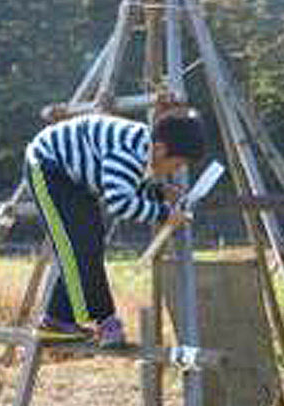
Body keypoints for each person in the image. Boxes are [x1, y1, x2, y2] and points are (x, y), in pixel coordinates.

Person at [25, 110, 206, 347]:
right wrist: (164, 214)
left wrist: (159, 192)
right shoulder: (130, 153)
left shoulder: (143, 147)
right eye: (177, 163)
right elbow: (119, 203)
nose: (174, 171)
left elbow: (126, 185)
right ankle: (89, 321)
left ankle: (68, 320)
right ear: (161, 149)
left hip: (73, 177)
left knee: (89, 246)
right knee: (76, 247)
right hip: (47, 168)